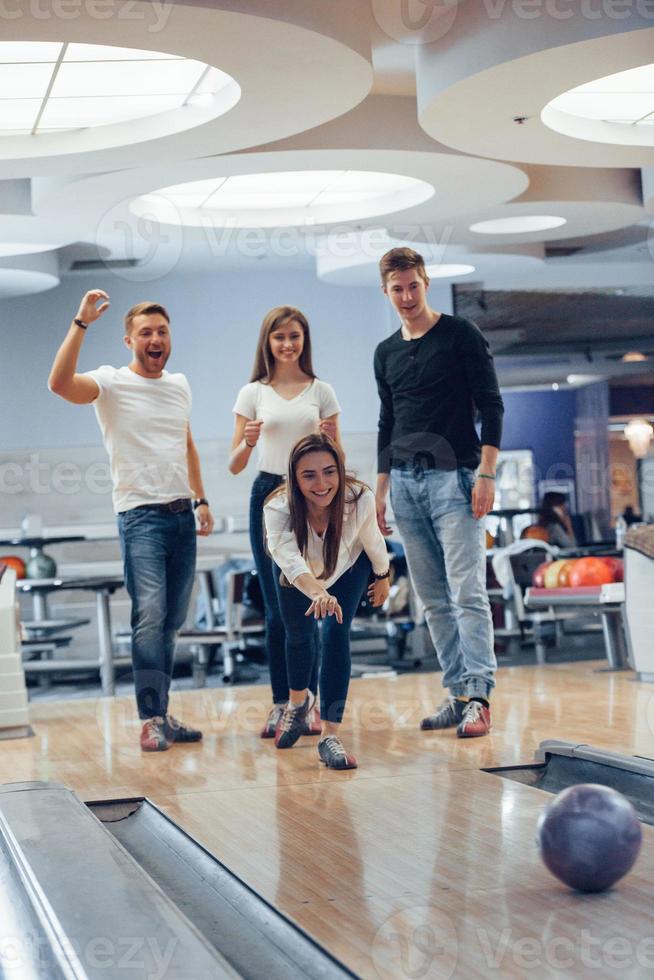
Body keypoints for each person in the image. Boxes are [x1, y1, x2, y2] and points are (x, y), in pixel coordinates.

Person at [48, 290, 215, 752]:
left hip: (182, 515)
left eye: (162, 331)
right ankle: (149, 719)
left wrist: (201, 500)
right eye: (146, 333)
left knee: (171, 623)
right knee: (150, 618)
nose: (156, 338)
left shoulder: (179, 384)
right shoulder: (111, 382)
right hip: (139, 517)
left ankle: (162, 712)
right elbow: (59, 385)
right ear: (129, 340)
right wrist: (80, 323)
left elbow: (187, 445)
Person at [374, 247, 504, 738]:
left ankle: (480, 698)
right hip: (405, 485)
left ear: (425, 283)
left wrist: (487, 473)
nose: (407, 297)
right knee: (432, 599)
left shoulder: (460, 335)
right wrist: (381, 488)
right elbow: (388, 421)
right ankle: (456, 694)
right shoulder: (385, 352)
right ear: (385, 292)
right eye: (397, 289)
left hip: (457, 479)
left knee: (467, 592)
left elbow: (491, 405)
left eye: (413, 286)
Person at [230, 307, 341, 738]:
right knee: (279, 609)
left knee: (312, 600)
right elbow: (236, 463)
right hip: (269, 494)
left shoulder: (322, 391)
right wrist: (247, 441)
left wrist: (332, 453)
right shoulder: (252, 393)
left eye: (294, 336)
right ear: (268, 343)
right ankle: (284, 703)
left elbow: (337, 458)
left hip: (315, 496)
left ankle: (308, 701)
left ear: (304, 340)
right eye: (279, 337)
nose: (287, 344)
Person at [264, 433, 390, 769]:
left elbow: (372, 540)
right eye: (309, 475)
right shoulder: (277, 507)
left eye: (329, 471)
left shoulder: (359, 497)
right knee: (299, 635)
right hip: (298, 576)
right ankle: (297, 704)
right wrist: (319, 592)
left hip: (350, 567)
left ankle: (329, 734)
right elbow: (289, 560)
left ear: (340, 470)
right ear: (294, 478)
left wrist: (383, 575)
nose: (322, 484)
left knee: (336, 634)